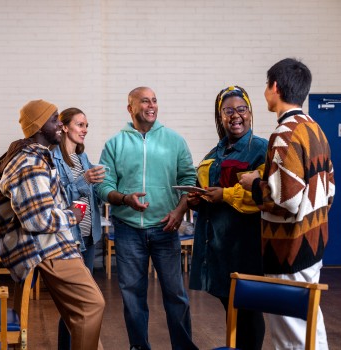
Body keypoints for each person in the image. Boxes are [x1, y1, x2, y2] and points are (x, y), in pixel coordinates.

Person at [0, 100, 105, 350]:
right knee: (92, 305)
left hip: (57, 244)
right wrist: (71, 216)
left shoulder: (38, 158)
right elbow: (38, 219)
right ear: (39, 126)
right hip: (48, 247)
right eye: (54, 120)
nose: (60, 126)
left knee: (82, 315)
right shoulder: (29, 163)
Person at [240, 58, 335, 349]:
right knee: (310, 323)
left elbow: (286, 202)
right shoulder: (314, 128)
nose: (265, 92)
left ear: (275, 87)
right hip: (314, 240)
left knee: (289, 333)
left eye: (266, 85)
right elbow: (328, 189)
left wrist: (253, 184)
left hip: (289, 247)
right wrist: (268, 176)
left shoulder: (284, 134)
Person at [96, 87, 199, 350]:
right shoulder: (114, 144)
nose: (151, 105)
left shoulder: (174, 141)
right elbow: (104, 186)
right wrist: (123, 198)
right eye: (144, 101)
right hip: (128, 229)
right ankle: (139, 347)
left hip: (166, 227)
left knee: (176, 295)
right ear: (130, 108)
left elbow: (189, 180)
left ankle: (184, 347)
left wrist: (178, 212)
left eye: (154, 100)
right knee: (132, 297)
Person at [187, 86, 268, 350]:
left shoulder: (262, 150)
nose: (236, 115)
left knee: (248, 313)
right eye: (228, 111)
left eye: (241, 109)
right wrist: (198, 200)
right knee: (231, 310)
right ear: (220, 116)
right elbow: (210, 197)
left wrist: (225, 195)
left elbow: (264, 196)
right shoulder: (213, 155)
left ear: (250, 112)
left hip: (245, 248)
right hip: (217, 248)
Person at [51, 107, 106, 350]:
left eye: (86, 126)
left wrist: (102, 188)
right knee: (74, 303)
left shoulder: (82, 158)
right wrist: (85, 181)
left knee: (83, 305)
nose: (85, 130)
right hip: (69, 239)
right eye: (80, 125)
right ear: (64, 126)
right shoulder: (52, 157)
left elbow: (90, 194)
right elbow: (59, 197)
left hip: (88, 235)